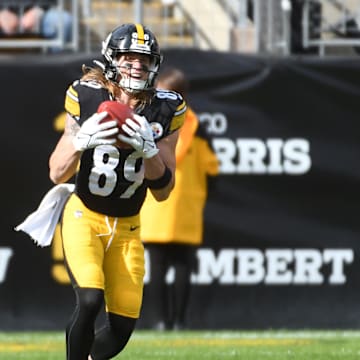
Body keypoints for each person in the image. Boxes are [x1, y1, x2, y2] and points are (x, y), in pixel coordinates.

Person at [48, 23, 186, 360]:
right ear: (112, 59)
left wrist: (149, 151)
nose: (137, 65)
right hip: (85, 216)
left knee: (122, 326)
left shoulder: (167, 109)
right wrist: (82, 141)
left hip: (128, 226)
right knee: (91, 299)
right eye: (128, 57)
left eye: (144, 59)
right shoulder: (87, 95)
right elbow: (56, 172)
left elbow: (164, 190)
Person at [140, 67, 219, 330]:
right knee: (184, 266)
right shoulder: (198, 128)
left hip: (155, 204)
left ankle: (162, 321)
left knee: (158, 268)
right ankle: (181, 322)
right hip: (186, 206)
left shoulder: (152, 122)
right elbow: (212, 167)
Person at [0, 1, 72, 51]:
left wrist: (39, 10)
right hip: (3, 14)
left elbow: (51, 2)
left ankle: (55, 70)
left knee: (64, 21)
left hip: (40, 13)